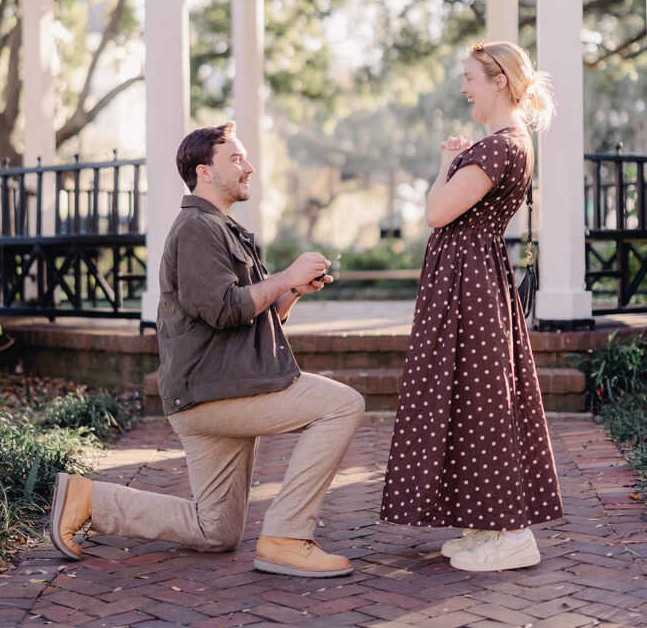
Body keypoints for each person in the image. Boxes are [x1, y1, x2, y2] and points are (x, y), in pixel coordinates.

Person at [49, 122, 364, 578]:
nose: (249, 167)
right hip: (214, 392)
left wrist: (290, 292)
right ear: (204, 171)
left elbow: (244, 314)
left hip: (219, 387)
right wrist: (284, 275)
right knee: (341, 406)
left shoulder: (220, 228)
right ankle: (287, 536)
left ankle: (89, 500)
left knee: (215, 529)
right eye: (236, 159)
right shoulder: (197, 228)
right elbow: (223, 309)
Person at [380, 41, 563, 572]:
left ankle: (513, 535)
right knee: (469, 396)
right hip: (471, 280)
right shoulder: (504, 144)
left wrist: (444, 164)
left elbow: (437, 212)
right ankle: (486, 524)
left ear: (499, 81)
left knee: (484, 400)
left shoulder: (499, 147)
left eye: (470, 78)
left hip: (470, 284)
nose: (463, 88)